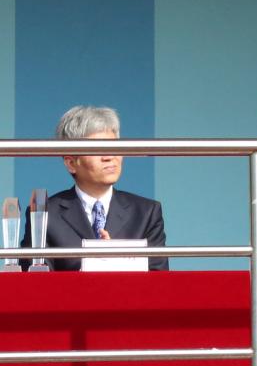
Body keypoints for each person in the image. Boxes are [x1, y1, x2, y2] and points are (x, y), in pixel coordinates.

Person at [21, 105, 168, 271]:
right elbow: (36, 282)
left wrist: (118, 264)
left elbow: (160, 282)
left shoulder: (146, 213)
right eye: (98, 149)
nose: (109, 157)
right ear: (71, 163)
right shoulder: (46, 215)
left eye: (115, 147)